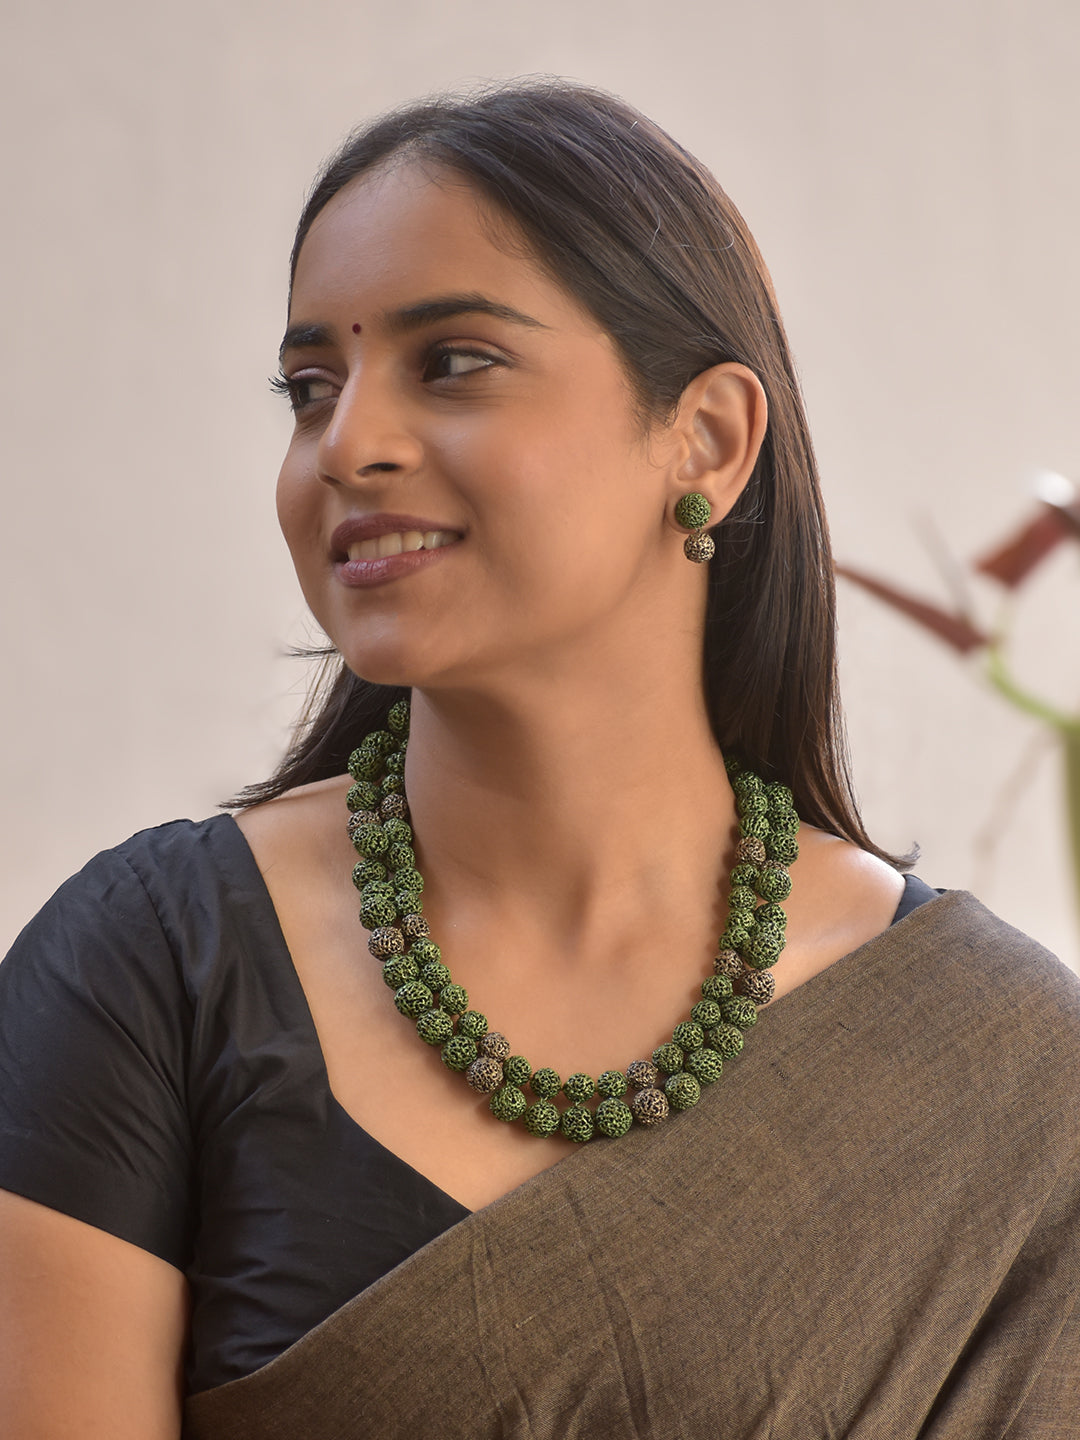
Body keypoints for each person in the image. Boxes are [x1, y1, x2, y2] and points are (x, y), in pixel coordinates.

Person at [1, 81, 1077, 1440]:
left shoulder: (999, 1072)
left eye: (453, 360)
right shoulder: (151, 971)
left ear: (709, 438)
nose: (349, 444)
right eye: (308, 387)